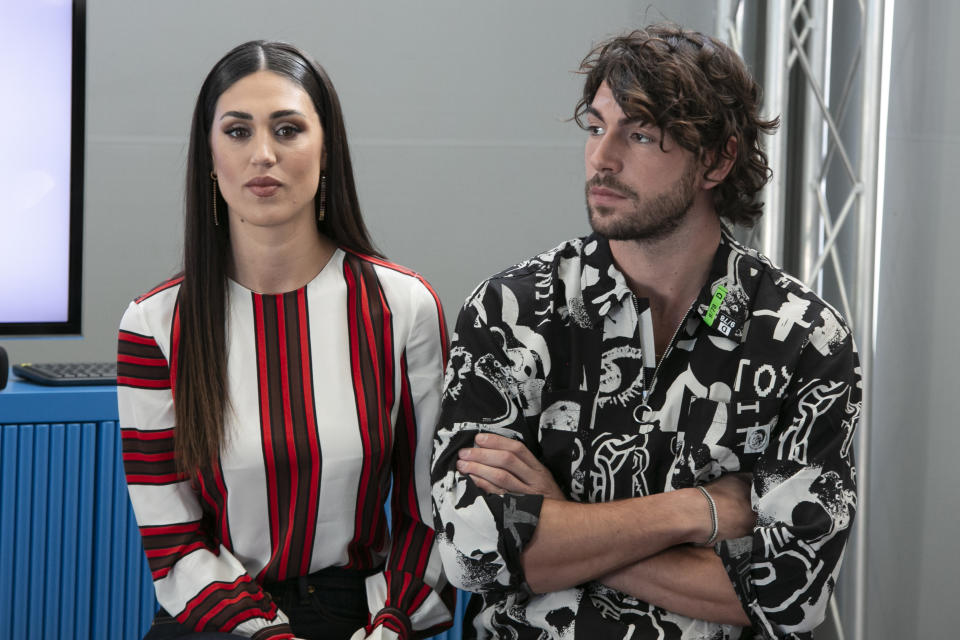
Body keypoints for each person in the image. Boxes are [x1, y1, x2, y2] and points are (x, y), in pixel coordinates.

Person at [431, 25, 860, 640]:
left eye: (639, 133)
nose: (603, 157)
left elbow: (792, 595)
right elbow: (474, 553)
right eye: (595, 127)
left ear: (717, 159)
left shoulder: (804, 339)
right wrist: (700, 511)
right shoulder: (512, 313)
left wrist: (563, 525)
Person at [117, 41, 453, 640]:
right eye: (238, 131)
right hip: (217, 621)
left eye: (288, 129)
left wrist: (392, 623)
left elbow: (430, 511)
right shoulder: (154, 323)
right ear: (209, 156)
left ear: (327, 151)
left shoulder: (402, 306)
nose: (263, 154)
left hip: (364, 618)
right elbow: (171, 539)